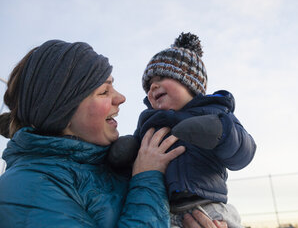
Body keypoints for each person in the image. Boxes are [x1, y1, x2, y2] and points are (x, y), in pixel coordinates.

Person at [0, 39, 227, 228]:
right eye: (104, 91)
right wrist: (148, 178)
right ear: (62, 111)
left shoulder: (111, 164)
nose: (121, 98)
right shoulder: (25, 191)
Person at [109, 33, 257, 228]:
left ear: (189, 82)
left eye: (162, 77)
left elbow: (243, 154)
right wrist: (126, 150)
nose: (153, 86)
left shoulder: (216, 113)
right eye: (148, 86)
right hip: (164, 210)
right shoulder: (149, 122)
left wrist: (221, 132)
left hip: (209, 207)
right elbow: (139, 155)